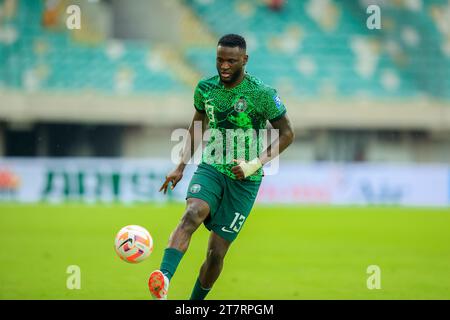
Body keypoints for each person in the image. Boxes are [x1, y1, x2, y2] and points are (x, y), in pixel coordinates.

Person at [148, 34, 295, 300]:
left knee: (216, 254)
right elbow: (197, 124)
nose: (224, 66)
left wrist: (254, 164)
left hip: (245, 182)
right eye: (219, 60)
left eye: (231, 61)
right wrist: (180, 166)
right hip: (212, 166)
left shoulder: (262, 94)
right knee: (193, 212)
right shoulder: (205, 88)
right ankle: (163, 279)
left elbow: (287, 134)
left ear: (244, 60)